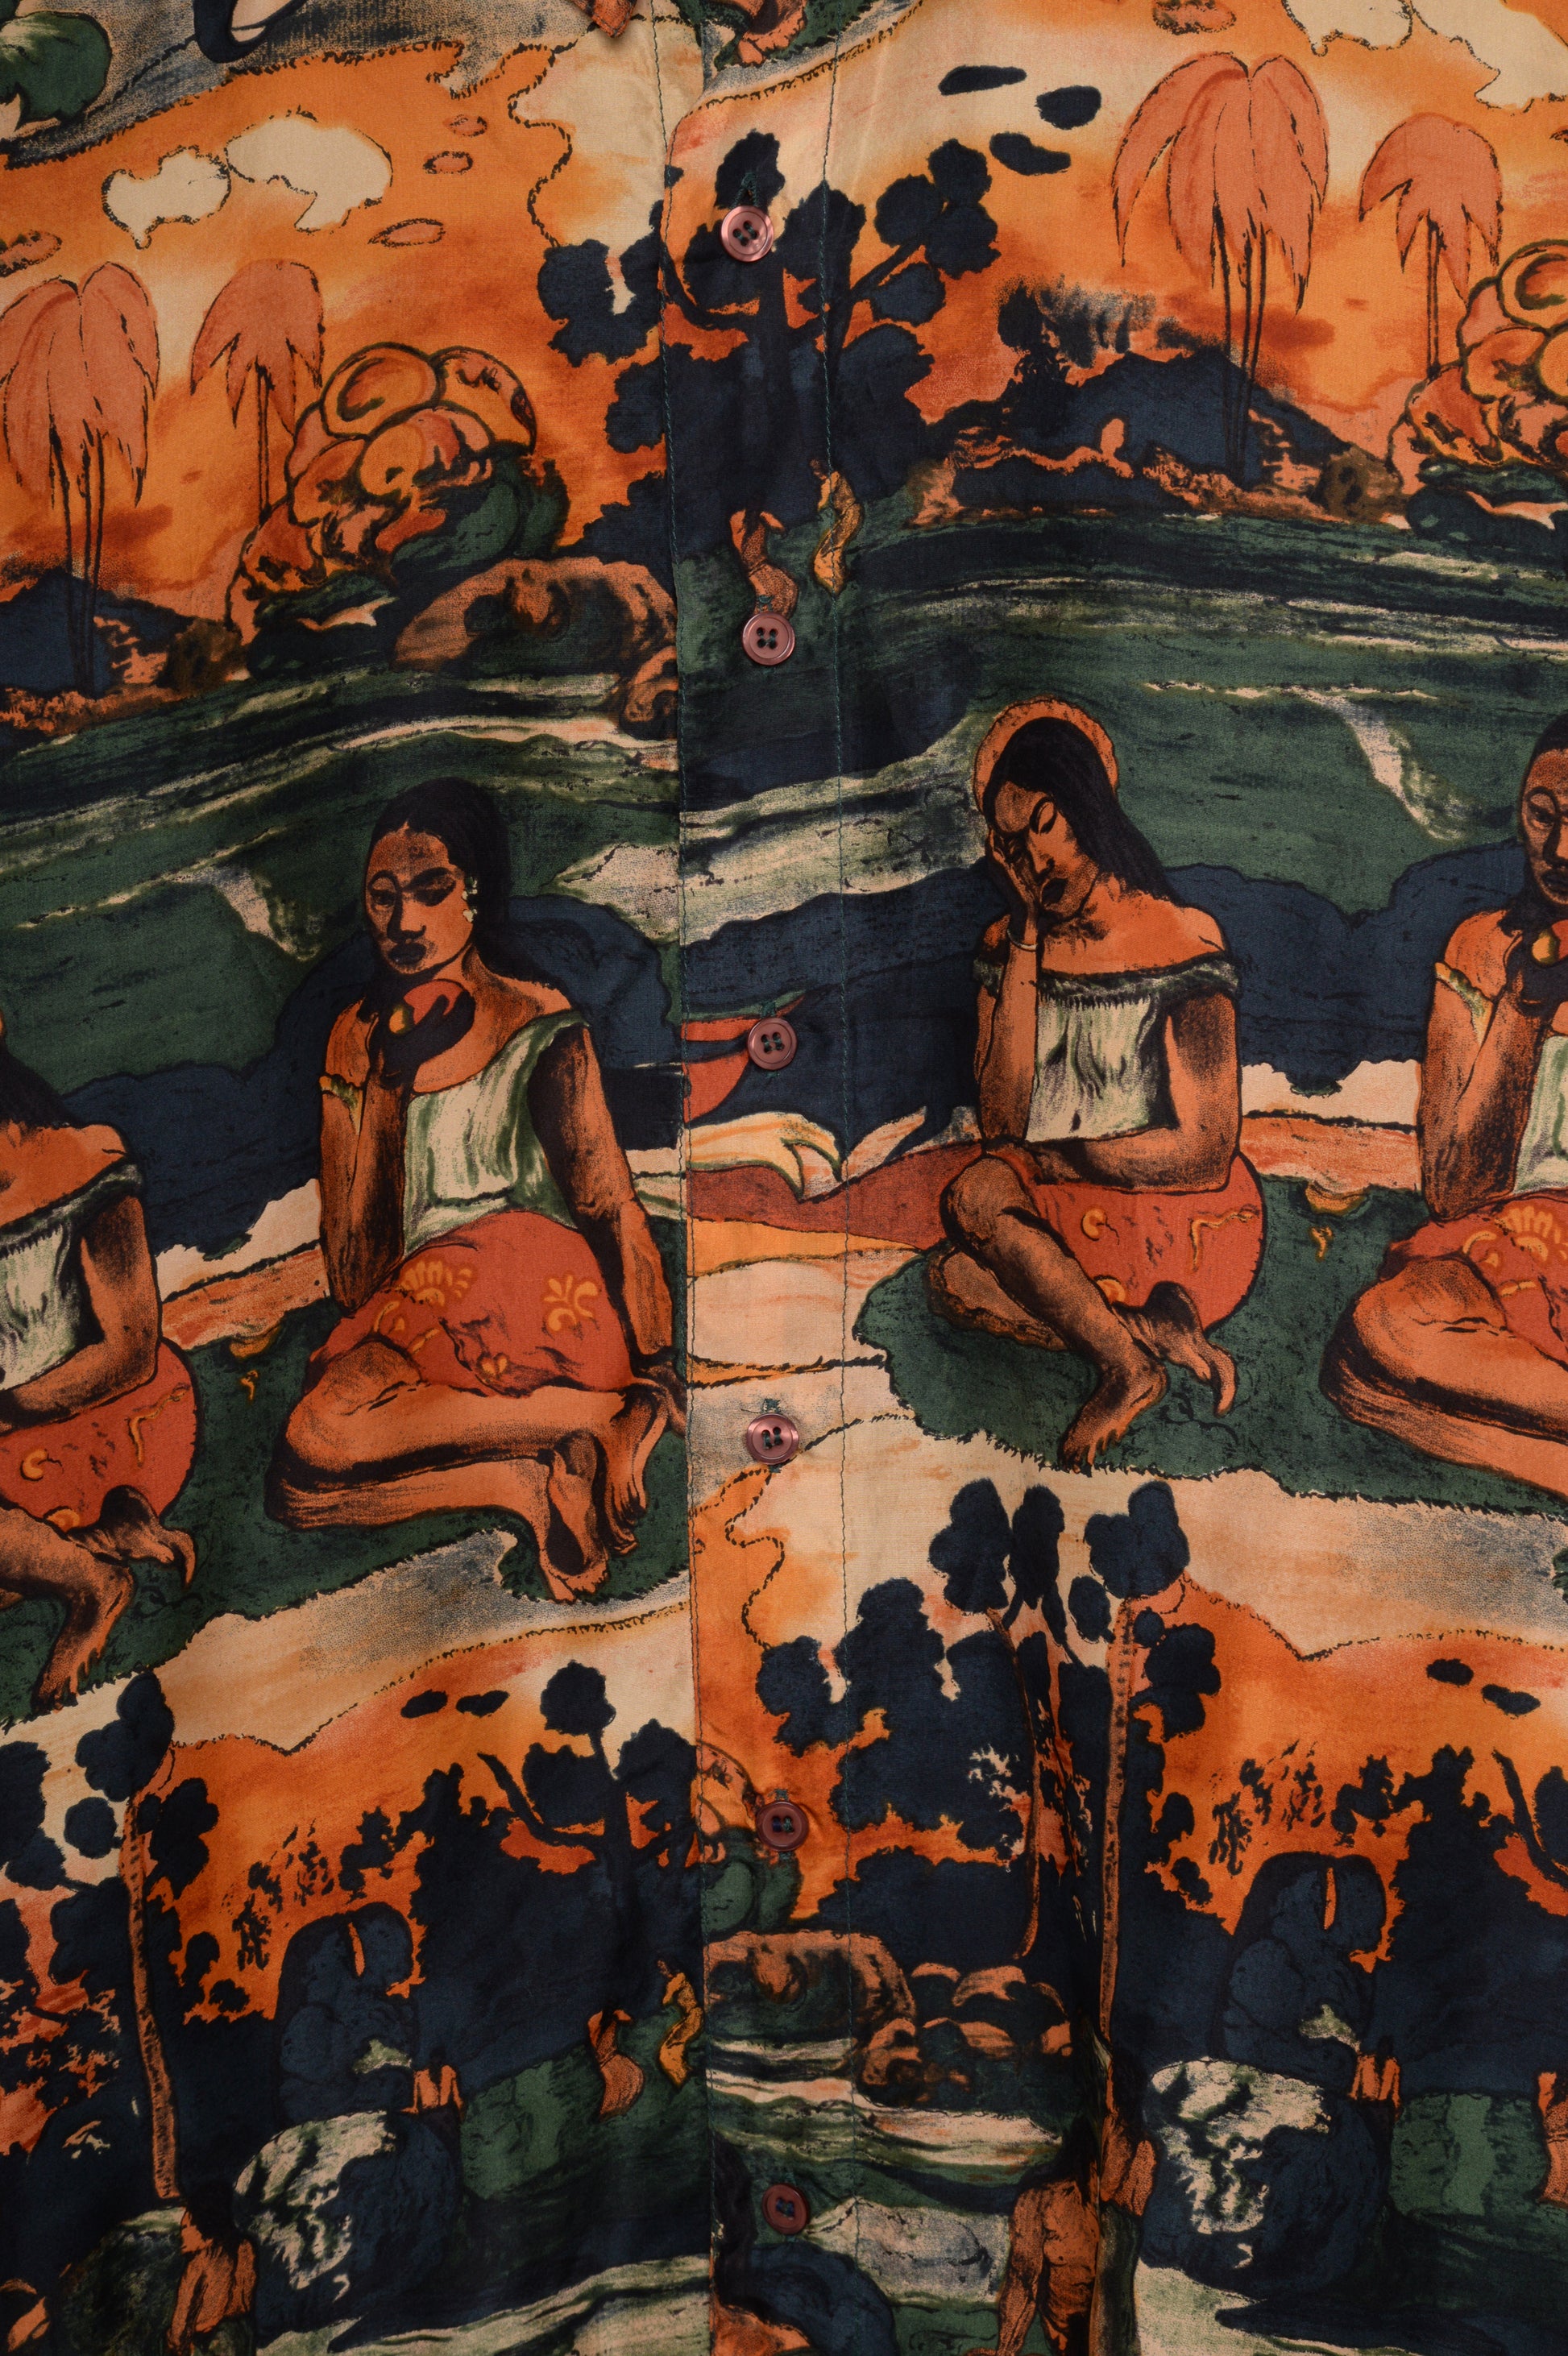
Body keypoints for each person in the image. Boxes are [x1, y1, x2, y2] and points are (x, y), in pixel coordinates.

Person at [268, 777, 682, 1596]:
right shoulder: (354, 1040)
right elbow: (355, 1278)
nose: (405, 920)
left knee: (320, 1449)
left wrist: (657, 1350)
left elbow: (608, 1204)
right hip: (417, 1307)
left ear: (477, 891)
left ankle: (598, 1412)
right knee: (303, 1473)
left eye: (432, 888)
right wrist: (389, 1088)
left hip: (538, 1294)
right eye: (383, 896)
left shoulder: (536, 1018)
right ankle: (530, 1481)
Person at [933, 699, 1263, 1467]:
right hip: (1054, 1218)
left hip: (1174, 1220)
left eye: (1044, 823)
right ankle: (1140, 1339)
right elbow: (1003, 1124)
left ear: (1085, 802)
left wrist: (1068, 1157)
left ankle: (1124, 1366)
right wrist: (1024, 939)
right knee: (953, 1279)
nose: (1035, 858)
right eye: (1011, 844)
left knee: (975, 1199)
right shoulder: (1006, 945)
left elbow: (1207, 1150)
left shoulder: (1181, 938)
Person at [1323, 713, 1568, 1495]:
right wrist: (1521, 1010)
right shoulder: (1479, 948)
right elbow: (1456, 1190)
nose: (1560, 849)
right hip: (1510, 1242)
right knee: (1377, 1335)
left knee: (1375, 1388)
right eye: (1542, 815)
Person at [0, 1018, 197, 1713]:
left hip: (104, 1426)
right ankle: (106, 1540)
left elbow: (131, 1352)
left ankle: (92, 1583)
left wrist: (11, 1408)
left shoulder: (85, 1160)